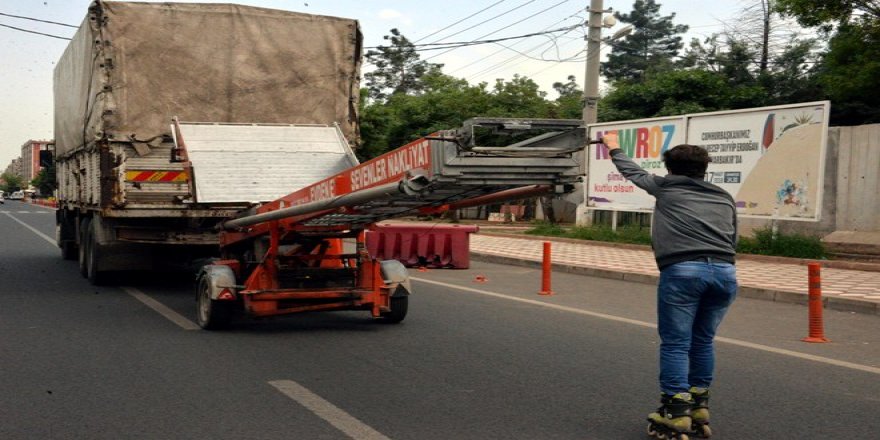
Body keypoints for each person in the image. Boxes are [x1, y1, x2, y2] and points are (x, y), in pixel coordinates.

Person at [601, 133, 738, 439]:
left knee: (677, 343)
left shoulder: (666, 186)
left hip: (683, 271)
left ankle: (676, 410)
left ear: (670, 168)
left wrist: (612, 144)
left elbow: (631, 171)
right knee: (703, 340)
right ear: (705, 169)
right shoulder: (723, 196)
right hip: (725, 272)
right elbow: (733, 238)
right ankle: (699, 403)